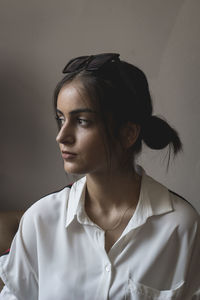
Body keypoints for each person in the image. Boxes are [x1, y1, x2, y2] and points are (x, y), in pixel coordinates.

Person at [0, 53, 199, 300]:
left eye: (82, 121)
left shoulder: (181, 227)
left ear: (128, 133)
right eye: (61, 119)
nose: (62, 136)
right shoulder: (40, 220)